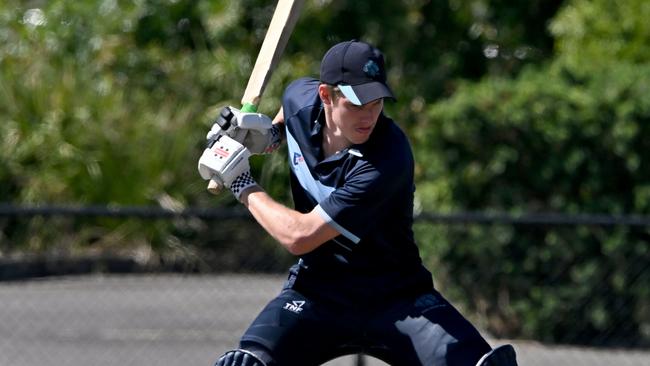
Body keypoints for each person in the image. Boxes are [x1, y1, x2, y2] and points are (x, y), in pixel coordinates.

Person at [198, 40, 518, 366]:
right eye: (356, 103)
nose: (369, 115)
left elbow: (299, 236)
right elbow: (287, 114)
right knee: (245, 363)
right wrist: (268, 136)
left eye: (376, 101)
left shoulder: (387, 157)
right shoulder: (299, 97)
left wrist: (240, 182)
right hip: (317, 292)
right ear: (326, 95)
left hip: (396, 297)